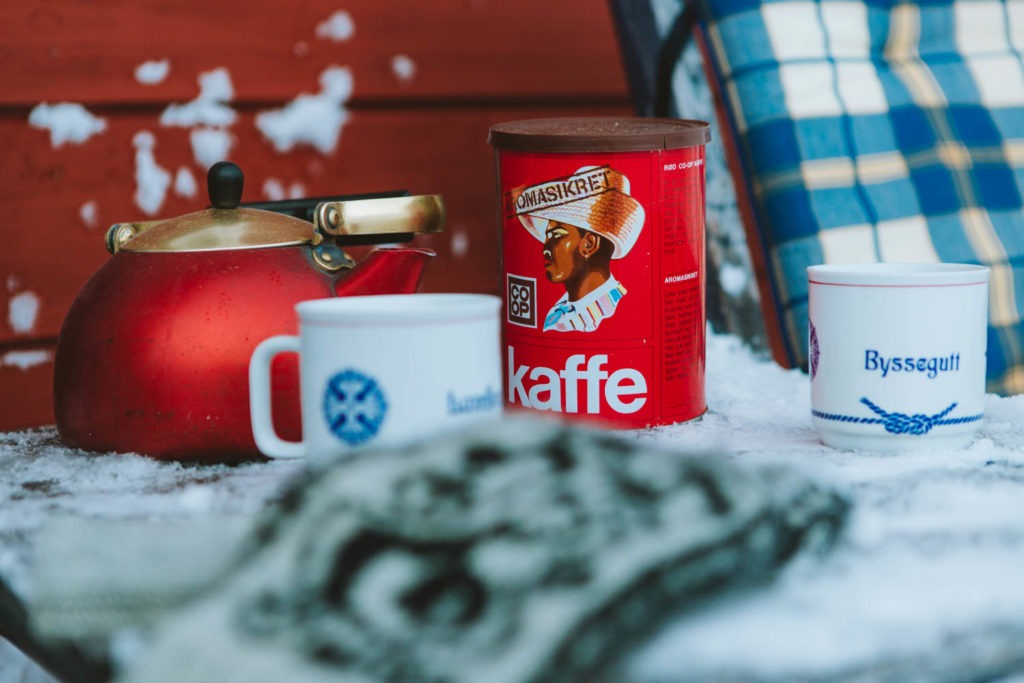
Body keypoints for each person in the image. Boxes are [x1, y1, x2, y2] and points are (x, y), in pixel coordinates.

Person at [513, 165, 645, 332]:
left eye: (557, 235)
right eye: (548, 236)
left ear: (589, 244)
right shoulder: (561, 309)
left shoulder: (611, 312)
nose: (545, 249)